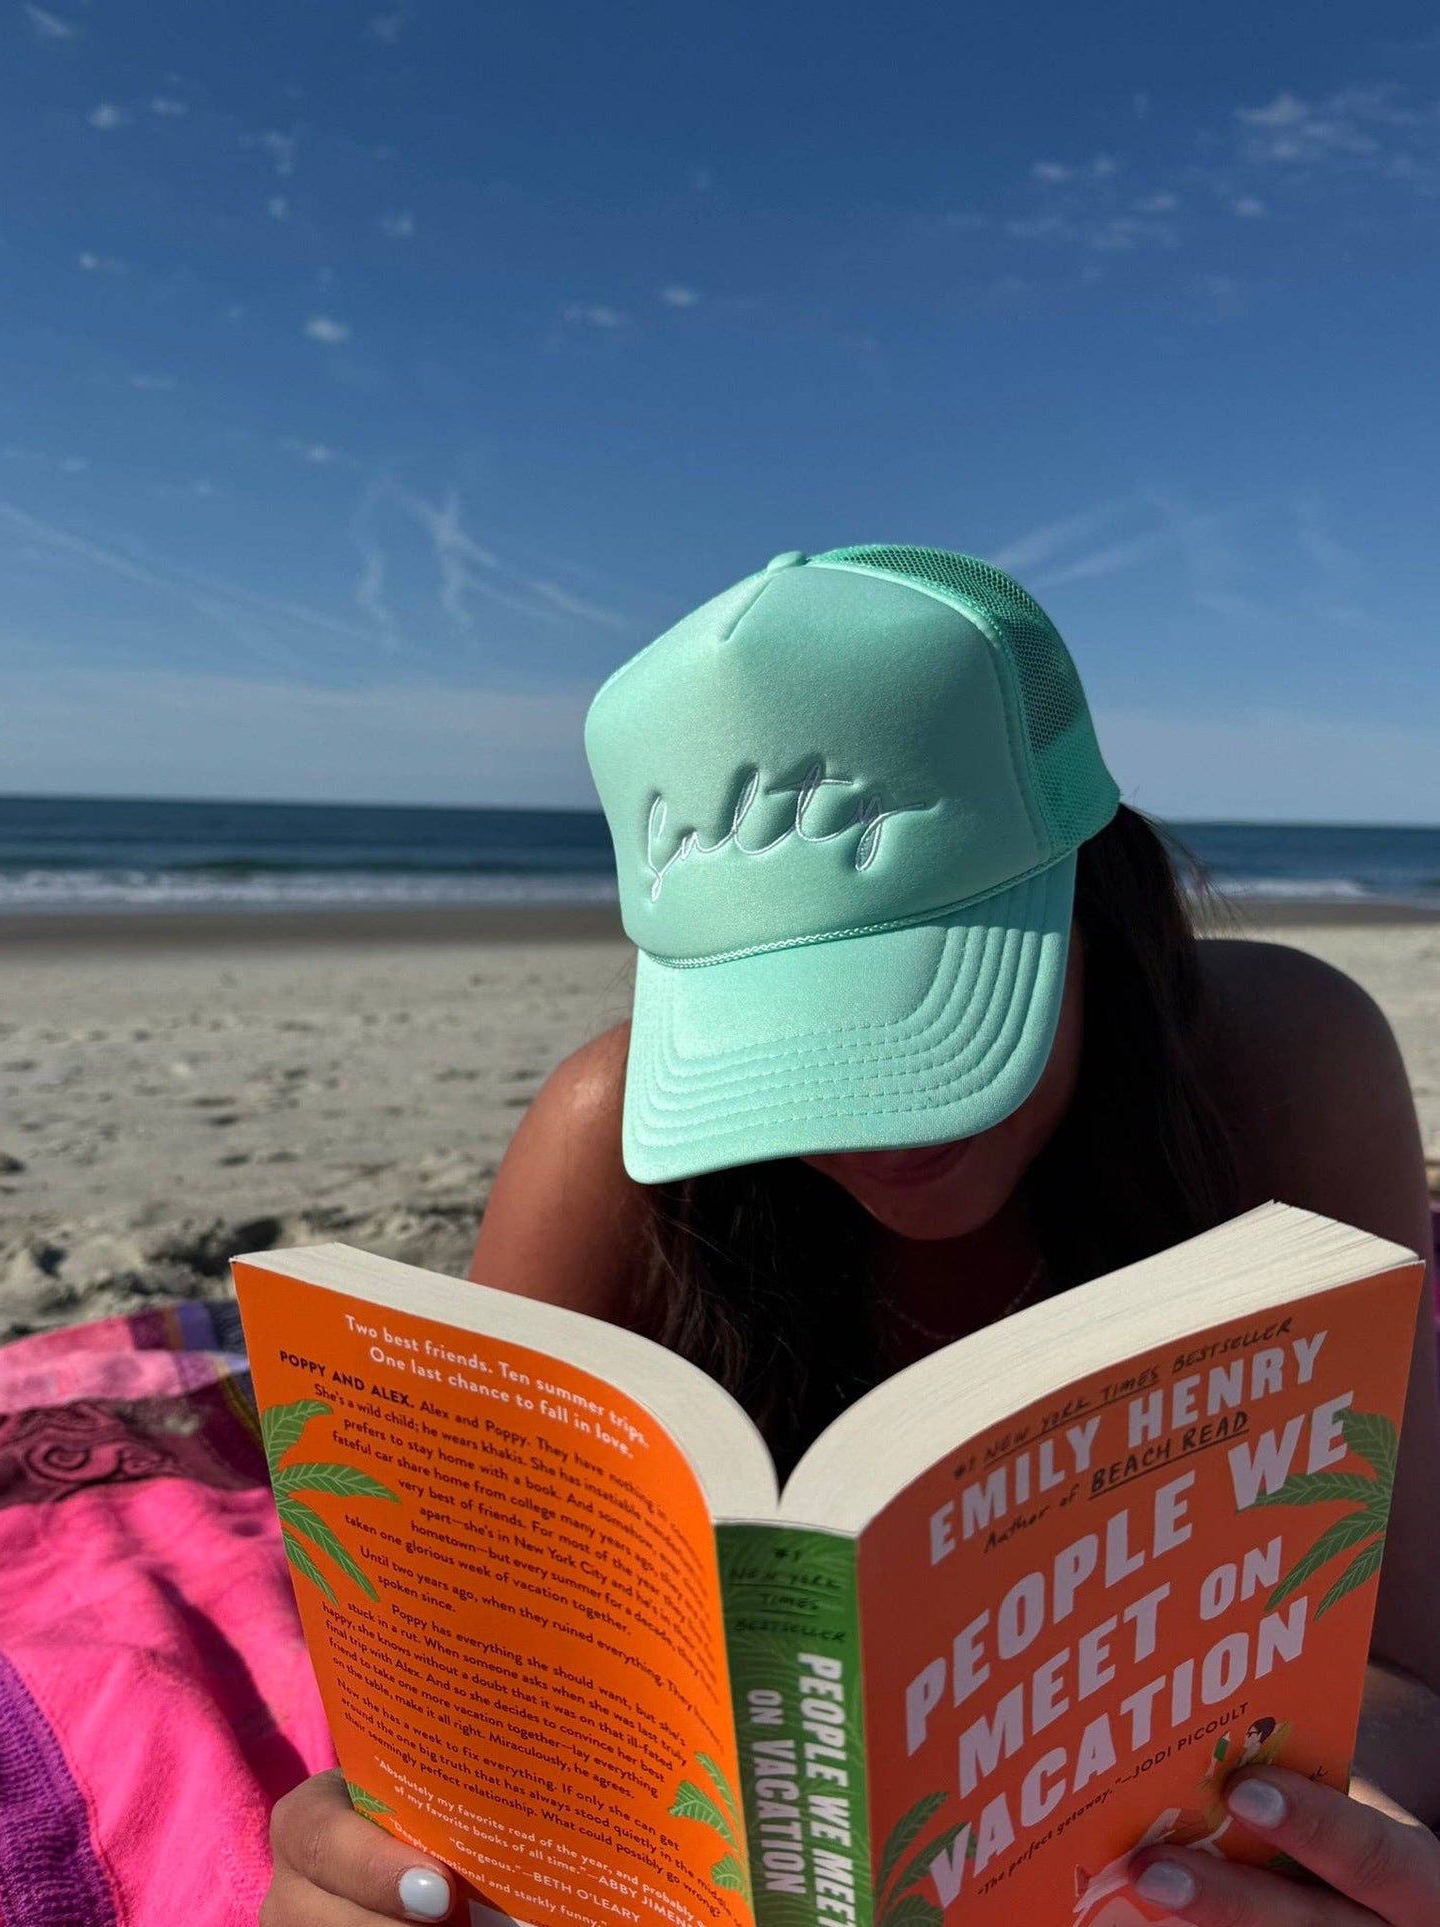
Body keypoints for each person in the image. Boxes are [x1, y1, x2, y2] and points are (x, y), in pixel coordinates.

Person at [261, 546, 1440, 1926]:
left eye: (917, 1003)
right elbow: (477, 1715)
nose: (869, 1131)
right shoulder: (610, 1145)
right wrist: (371, 1872)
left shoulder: (1273, 1067)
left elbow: (1399, 1669)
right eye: (786, 1040)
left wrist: (1343, 1842)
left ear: (1084, 891)